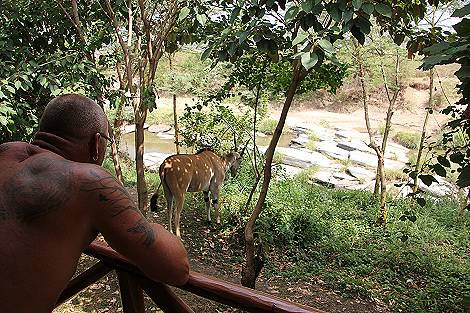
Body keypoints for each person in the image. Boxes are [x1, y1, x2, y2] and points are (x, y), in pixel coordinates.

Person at [0, 94, 189, 313]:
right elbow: (177, 268)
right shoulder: (90, 181)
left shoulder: (5, 151)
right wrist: (153, 228)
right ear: (96, 143)